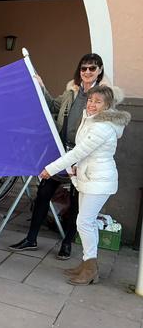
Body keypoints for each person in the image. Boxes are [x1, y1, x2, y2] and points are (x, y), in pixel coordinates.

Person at [10, 53, 111, 259]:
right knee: (43, 195)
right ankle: (31, 239)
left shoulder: (103, 96)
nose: (87, 72)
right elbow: (53, 107)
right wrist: (42, 87)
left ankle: (67, 244)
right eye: (84, 68)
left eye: (92, 68)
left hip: (82, 157)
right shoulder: (71, 92)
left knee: (75, 203)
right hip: (61, 151)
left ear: (100, 70)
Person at [41, 85, 129, 285]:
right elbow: (83, 154)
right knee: (85, 222)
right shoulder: (90, 119)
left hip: (99, 181)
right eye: (90, 100)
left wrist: (51, 168)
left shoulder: (102, 126)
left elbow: (78, 152)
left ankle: (90, 269)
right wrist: (74, 167)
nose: (92, 104)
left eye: (98, 102)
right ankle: (87, 264)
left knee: (84, 222)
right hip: (89, 178)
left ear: (107, 106)